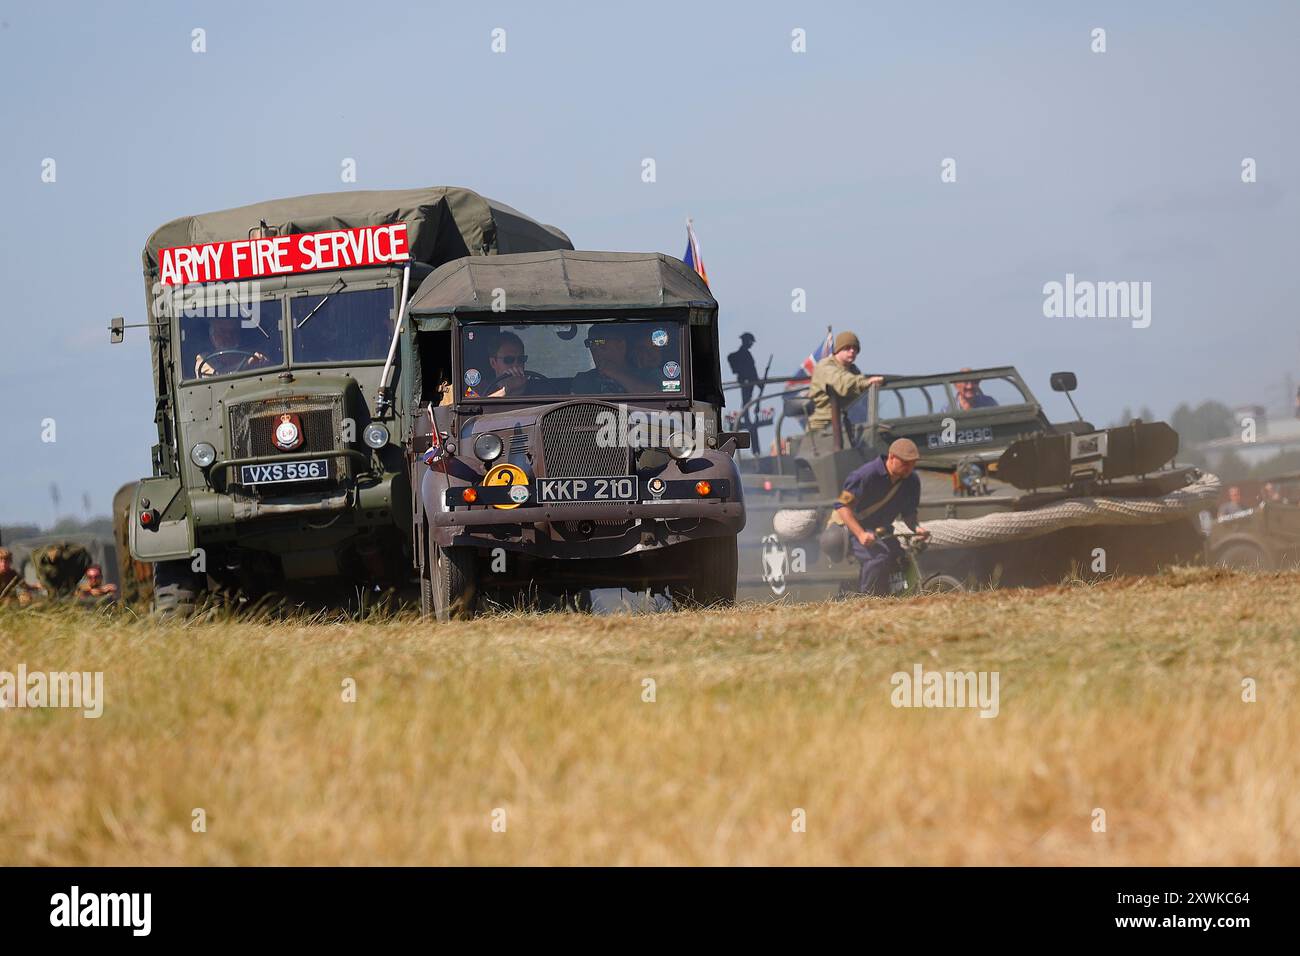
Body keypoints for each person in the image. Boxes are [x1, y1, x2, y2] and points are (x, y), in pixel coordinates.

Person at [829, 438, 929, 595]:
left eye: (912, 463)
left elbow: (909, 513)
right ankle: (867, 599)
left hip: (879, 530)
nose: (909, 468)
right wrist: (861, 534)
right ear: (891, 457)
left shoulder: (912, 481)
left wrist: (917, 528)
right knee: (877, 557)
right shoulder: (864, 475)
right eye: (905, 463)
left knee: (898, 556)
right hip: (851, 528)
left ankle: (889, 595)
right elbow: (842, 506)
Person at [806, 331, 883, 433]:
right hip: (824, 429)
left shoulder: (853, 370)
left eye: (855, 349)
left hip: (849, 423)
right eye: (847, 348)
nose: (852, 351)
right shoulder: (825, 367)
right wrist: (866, 382)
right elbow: (843, 383)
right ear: (838, 350)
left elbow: (863, 401)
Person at [571, 326, 655, 394]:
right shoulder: (584, 379)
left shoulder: (650, 375)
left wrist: (616, 373)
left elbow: (660, 403)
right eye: (590, 343)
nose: (594, 348)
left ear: (620, 344)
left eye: (600, 342)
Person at [195, 315, 272, 378]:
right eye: (222, 332)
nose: (228, 336)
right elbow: (214, 377)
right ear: (212, 337)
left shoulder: (251, 354)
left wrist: (262, 362)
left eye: (233, 332)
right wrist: (246, 366)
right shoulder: (204, 359)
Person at [483, 332, 545, 397]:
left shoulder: (539, 388)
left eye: (521, 359)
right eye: (509, 360)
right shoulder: (479, 389)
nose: (516, 364)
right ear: (493, 362)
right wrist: (506, 391)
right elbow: (477, 406)